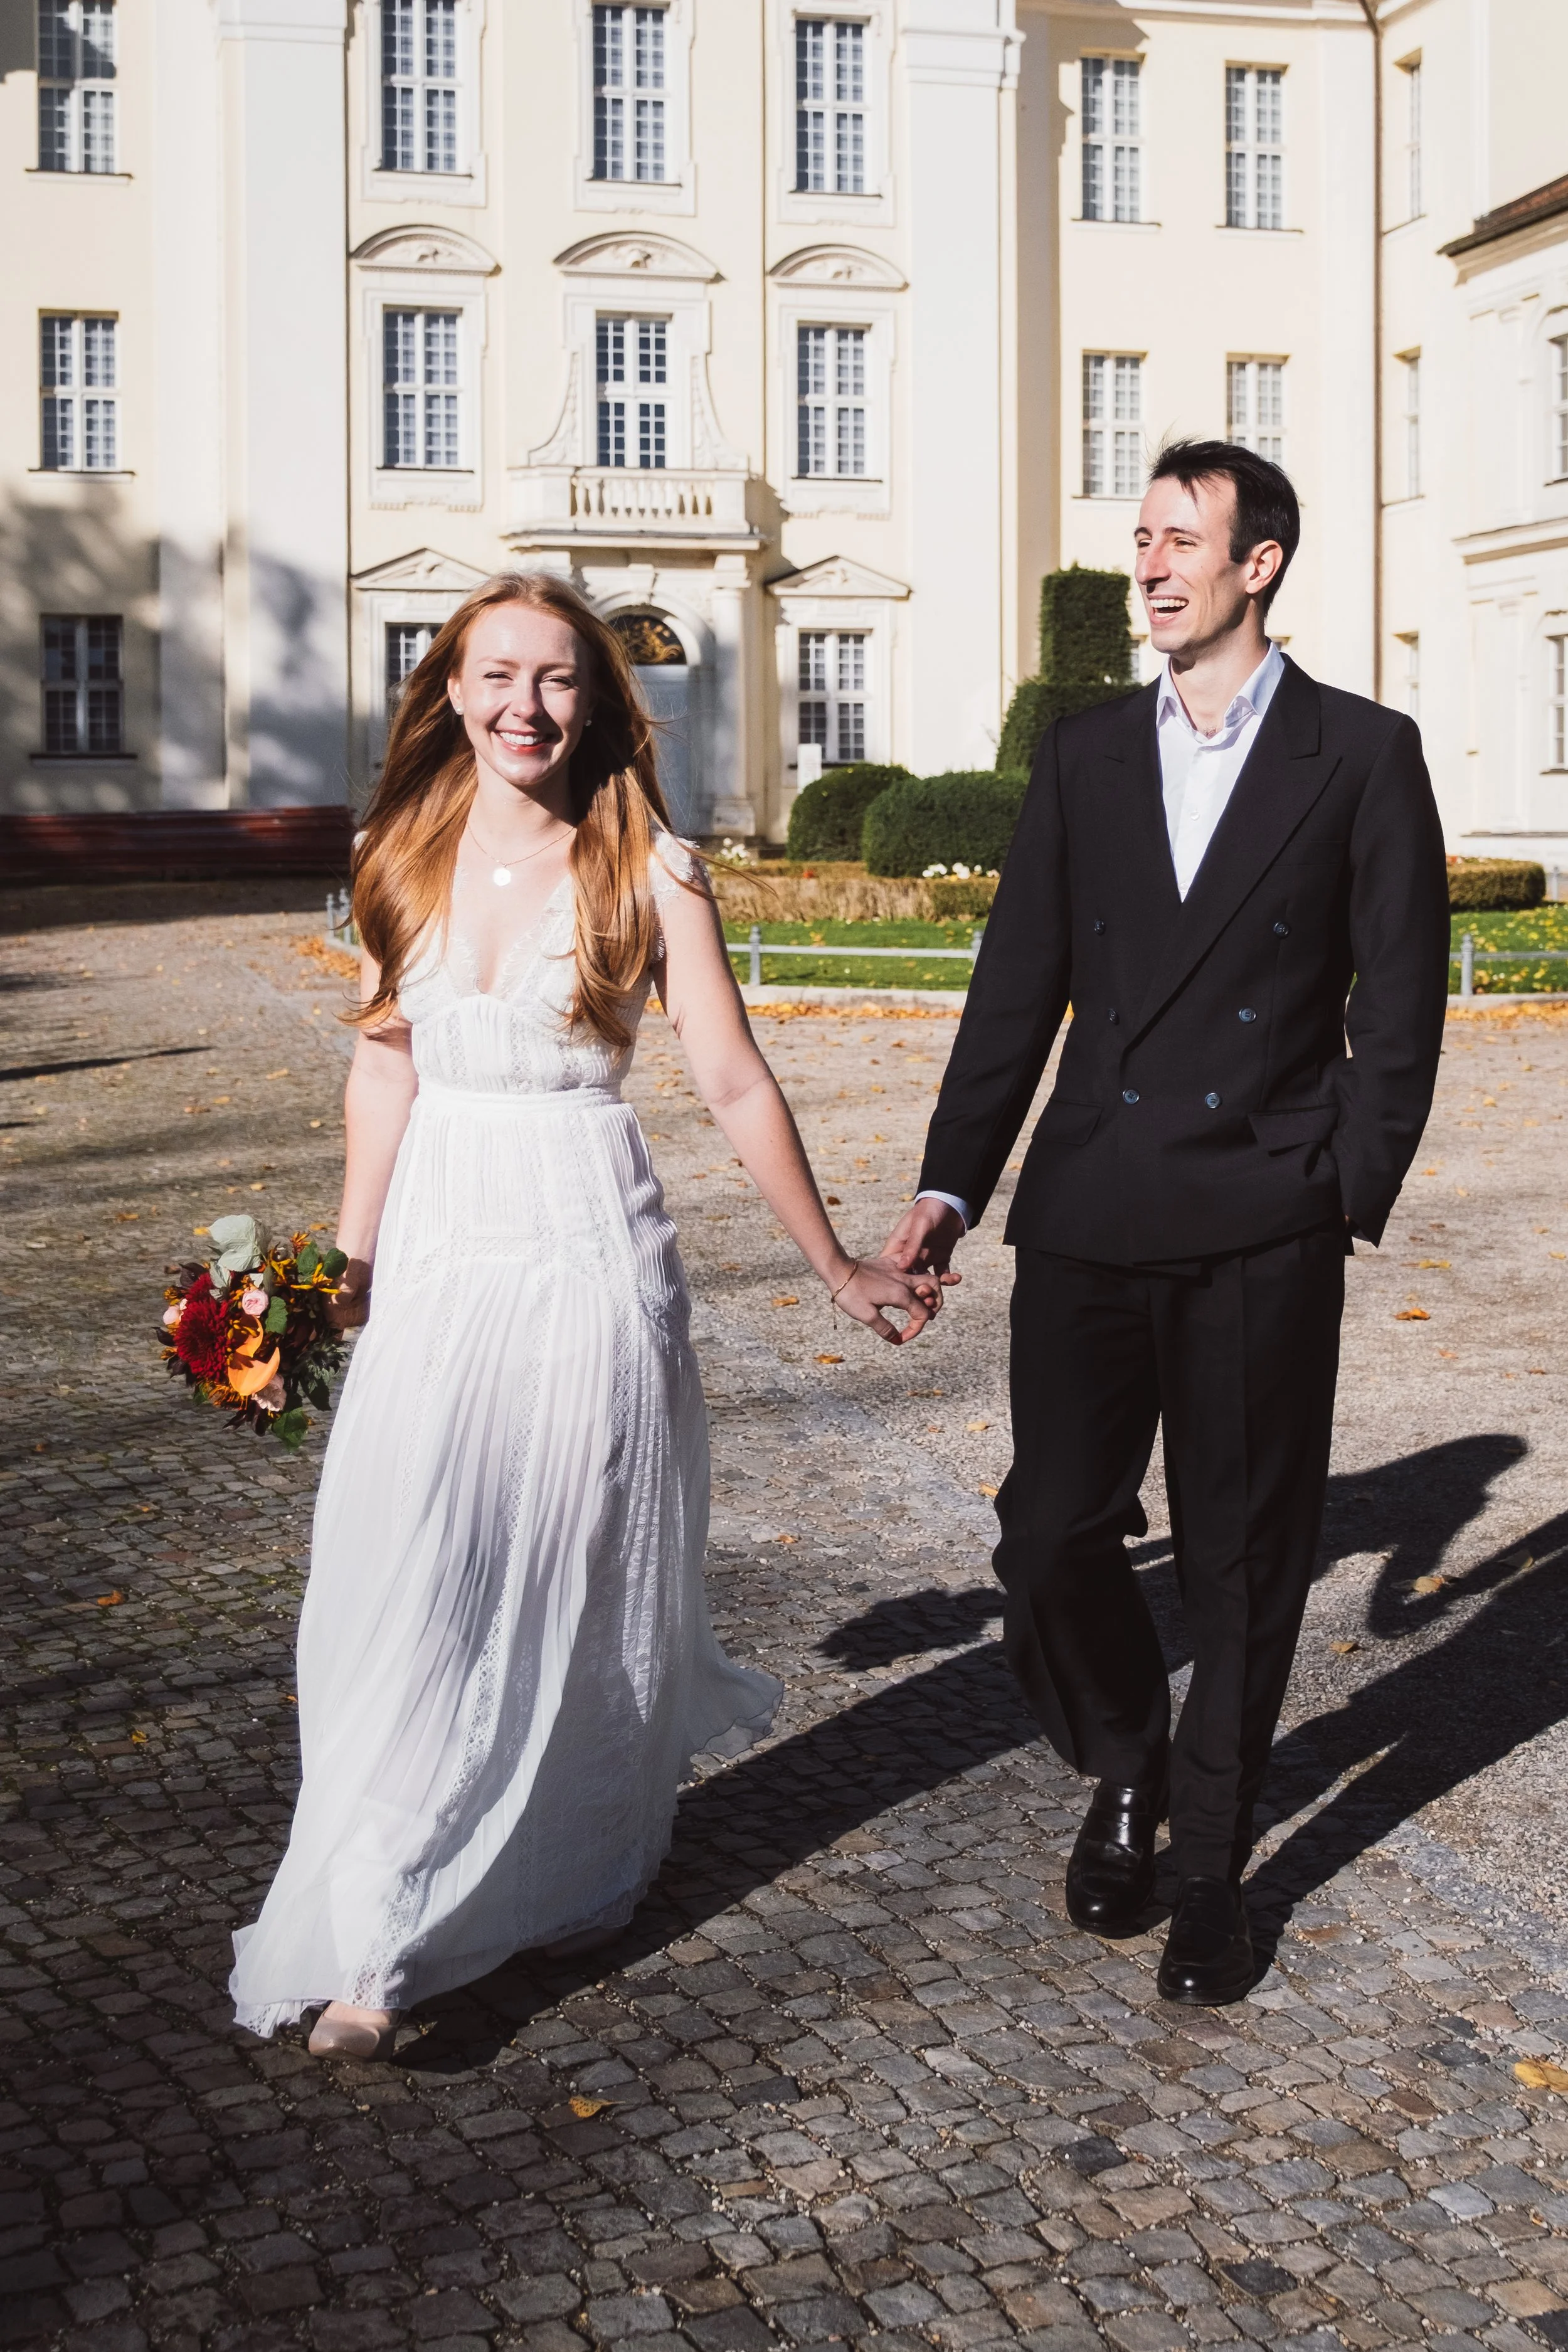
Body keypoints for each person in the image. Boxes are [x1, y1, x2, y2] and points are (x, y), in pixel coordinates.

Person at [230, 571, 936, 2058]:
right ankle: (378, 1894)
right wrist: (341, 1270)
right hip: (434, 1256)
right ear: (449, 690)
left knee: (544, 1578)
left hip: (581, 1255)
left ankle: (406, 1944)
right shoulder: (392, 855)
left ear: (598, 702)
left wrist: (834, 1266)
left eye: (555, 680)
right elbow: (381, 1070)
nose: (523, 707)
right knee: (403, 1575)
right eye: (496, 676)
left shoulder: (652, 870)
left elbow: (731, 1080)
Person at [884, 442, 1450, 2005]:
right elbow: (1015, 993)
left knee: (1243, 1561)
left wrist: (1344, 1182)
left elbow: (1398, 1002)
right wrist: (948, 1187)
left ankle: (1206, 1867)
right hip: (1086, 1207)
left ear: (1255, 562)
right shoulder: (1078, 756)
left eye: (1175, 540)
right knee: (1048, 1532)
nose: (1144, 564)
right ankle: (1124, 1757)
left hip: (1261, 1216)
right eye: (1136, 537)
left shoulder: (1358, 752)